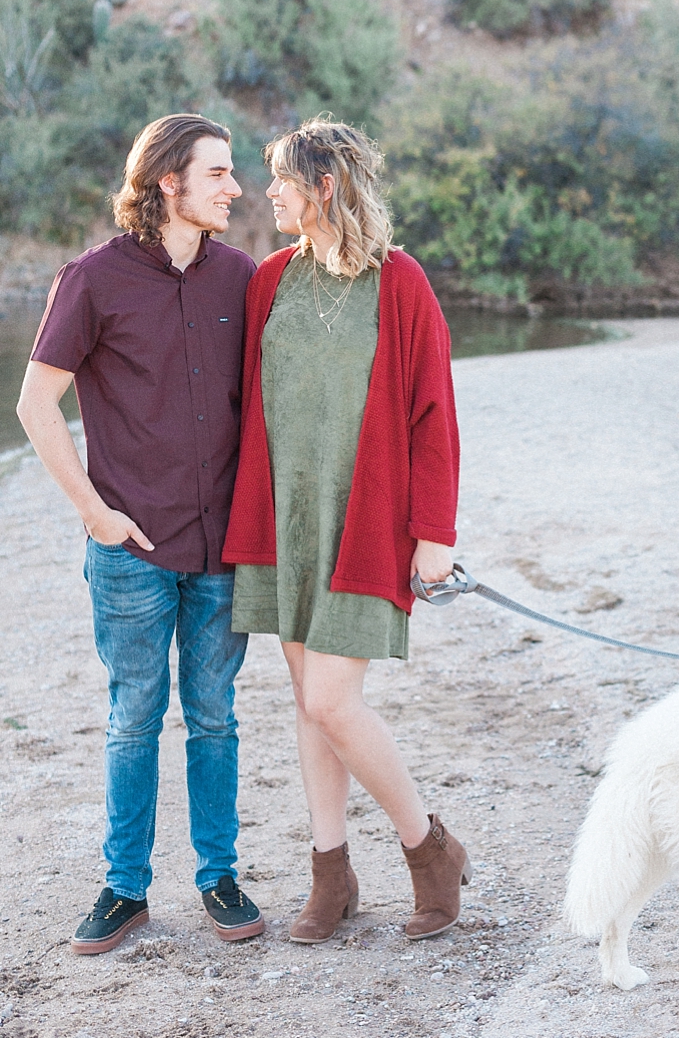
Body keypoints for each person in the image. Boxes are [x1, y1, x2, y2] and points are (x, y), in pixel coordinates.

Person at [16, 114, 263, 954]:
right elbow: (34, 404)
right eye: (219, 172)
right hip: (128, 546)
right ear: (169, 181)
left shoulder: (242, 278)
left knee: (215, 715)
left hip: (221, 544)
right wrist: (93, 512)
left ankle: (218, 875)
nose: (236, 188)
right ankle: (124, 889)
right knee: (133, 718)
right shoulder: (91, 279)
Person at [222, 117, 470, 944]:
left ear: (324, 186)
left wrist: (434, 532)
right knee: (308, 702)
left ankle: (427, 849)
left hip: (365, 521)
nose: (270, 194)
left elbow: (435, 414)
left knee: (333, 698)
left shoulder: (400, 283)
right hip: (282, 518)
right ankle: (331, 876)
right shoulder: (268, 281)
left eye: (283, 181)